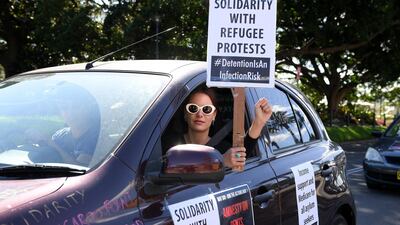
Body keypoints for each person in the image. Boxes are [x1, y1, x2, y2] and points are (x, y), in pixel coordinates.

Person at [166, 86, 272, 170]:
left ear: (214, 115)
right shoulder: (170, 144)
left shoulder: (223, 149)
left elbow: (241, 156)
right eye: (193, 108)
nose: (199, 114)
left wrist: (258, 123)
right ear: (185, 113)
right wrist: (220, 161)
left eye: (206, 109)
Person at [28, 82, 101, 166]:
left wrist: (51, 143)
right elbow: (49, 155)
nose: (70, 113)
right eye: (64, 108)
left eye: (76, 107)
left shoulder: (97, 138)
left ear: (87, 108)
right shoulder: (60, 136)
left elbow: (79, 168)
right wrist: (40, 141)